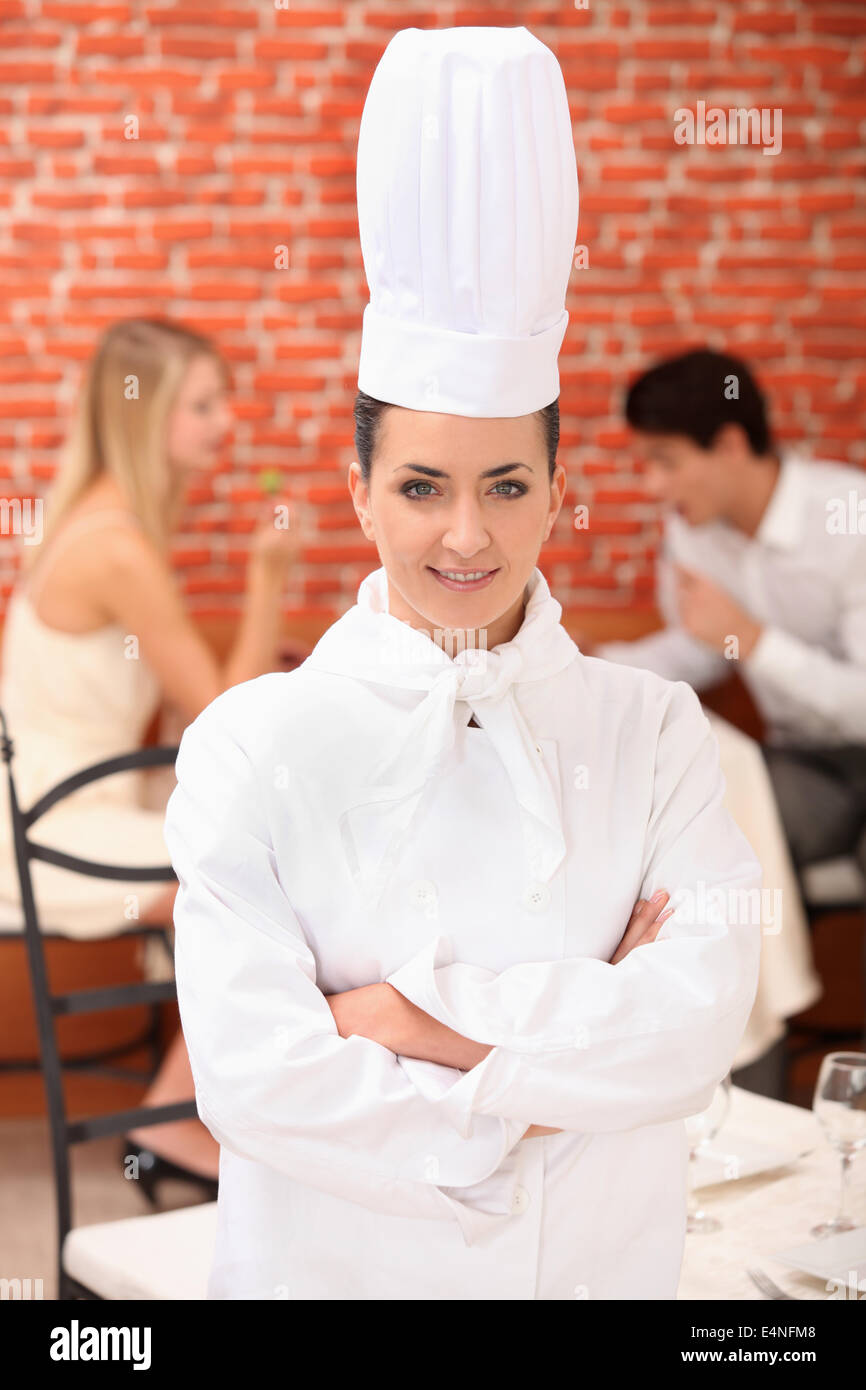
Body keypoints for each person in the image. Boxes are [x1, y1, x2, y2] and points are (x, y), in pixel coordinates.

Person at [163, 27, 762, 1301]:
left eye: (506, 484)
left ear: (560, 491)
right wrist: (555, 1065)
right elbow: (256, 1078)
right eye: (422, 485)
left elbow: (698, 1021)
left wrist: (411, 1025)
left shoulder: (651, 730)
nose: (467, 533)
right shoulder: (249, 744)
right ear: (359, 493)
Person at [0, 315, 302, 1193]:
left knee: (254, 864)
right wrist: (268, 582)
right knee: (258, 876)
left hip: (66, 809)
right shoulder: (118, 548)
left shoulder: (104, 522)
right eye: (204, 405)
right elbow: (222, 713)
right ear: (148, 412)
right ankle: (184, 1122)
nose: (227, 425)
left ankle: (182, 1104)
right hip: (51, 829)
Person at [589, 348, 866, 1048]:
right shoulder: (694, 530)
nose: (654, 485)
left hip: (853, 763)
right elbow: (699, 647)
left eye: (665, 460)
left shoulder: (848, 521)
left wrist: (751, 635)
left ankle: (744, 1057)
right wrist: (584, 669)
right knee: (691, 811)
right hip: (791, 763)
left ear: (733, 443)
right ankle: (701, 1058)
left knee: (717, 822)